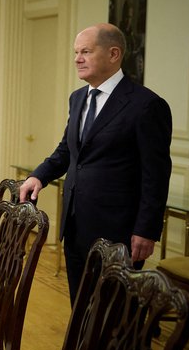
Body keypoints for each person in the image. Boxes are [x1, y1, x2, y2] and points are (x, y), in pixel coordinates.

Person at [18, 23, 171, 304]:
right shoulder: (78, 99)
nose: (77, 58)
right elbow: (67, 151)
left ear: (114, 54)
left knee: (114, 315)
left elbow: (156, 175)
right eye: (76, 52)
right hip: (75, 225)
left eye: (86, 51)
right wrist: (39, 176)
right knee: (80, 308)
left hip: (118, 232)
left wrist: (146, 231)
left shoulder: (146, 105)